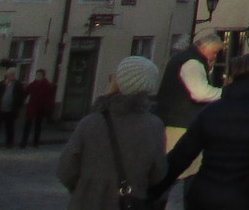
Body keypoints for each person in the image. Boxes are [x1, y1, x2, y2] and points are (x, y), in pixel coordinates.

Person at [151, 52, 249, 210]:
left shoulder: (212, 111)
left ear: (231, 77)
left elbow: (182, 155)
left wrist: (155, 190)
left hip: (208, 194)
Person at [56, 55, 167, 210]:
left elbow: (66, 170)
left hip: (87, 203)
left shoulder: (91, 122)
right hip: (131, 203)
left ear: (119, 80)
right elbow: (158, 175)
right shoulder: (154, 125)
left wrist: (86, 190)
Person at [157, 30, 225, 166]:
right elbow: (201, 93)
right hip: (181, 125)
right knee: (184, 169)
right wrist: (227, 93)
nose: (215, 57)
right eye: (215, 52)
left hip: (173, 122)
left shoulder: (184, 58)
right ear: (205, 48)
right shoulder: (192, 62)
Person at [23, 68, 56, 147]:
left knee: (38, 126)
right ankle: (23, 142)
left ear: (43, 76)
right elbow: (25, 93)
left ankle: (35, 143)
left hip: (40, 108)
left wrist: (48, 108)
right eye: (37, 75)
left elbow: (50, 98)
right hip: (32, 107)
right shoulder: (32, 84)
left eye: (39, 75)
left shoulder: (47, 85)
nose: (38, 76)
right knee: (27, 125)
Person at [0, 67, 22, 147]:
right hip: (0, 109)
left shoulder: (18, 84)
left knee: (9, 127)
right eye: (7, 75)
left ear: (13, 75)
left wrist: (17, 108)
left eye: (9, 75)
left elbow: (20, 97)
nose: (7, 77)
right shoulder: (2, 83)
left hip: (11, 110)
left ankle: (9, 143)